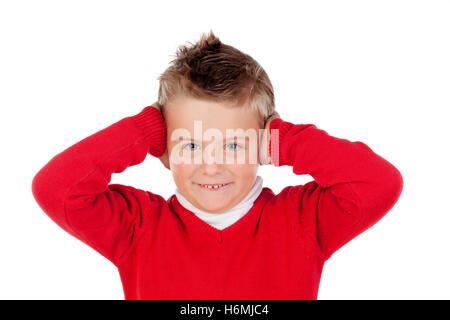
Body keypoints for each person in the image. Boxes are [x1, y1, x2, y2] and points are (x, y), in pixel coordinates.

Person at [31, 30, 403, 299]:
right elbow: (57, 189)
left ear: (263, 145)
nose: (212, 166)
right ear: (164, 150)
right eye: (191, 144)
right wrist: (144, 132)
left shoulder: (301, 221)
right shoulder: (138, 228)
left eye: (233, 145)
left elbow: (378, 183)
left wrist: (283, 139)